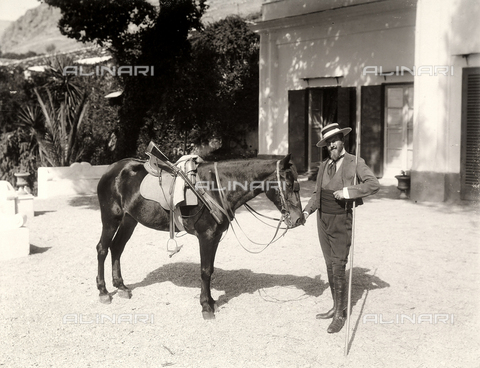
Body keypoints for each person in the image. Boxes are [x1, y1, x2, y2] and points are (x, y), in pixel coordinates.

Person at [303, 122, 379, 334]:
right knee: (329, 264)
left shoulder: (355, 162)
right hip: (322, 219)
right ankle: (336, 306)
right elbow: (317, 194)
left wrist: (348, 192)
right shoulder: (324, 165)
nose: (331, 146)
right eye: (327, 143)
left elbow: (373, 184)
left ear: (342, 140)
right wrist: (306, 212)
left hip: (340, 218)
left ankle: (340, 314)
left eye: (333, 141)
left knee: (338, 265)